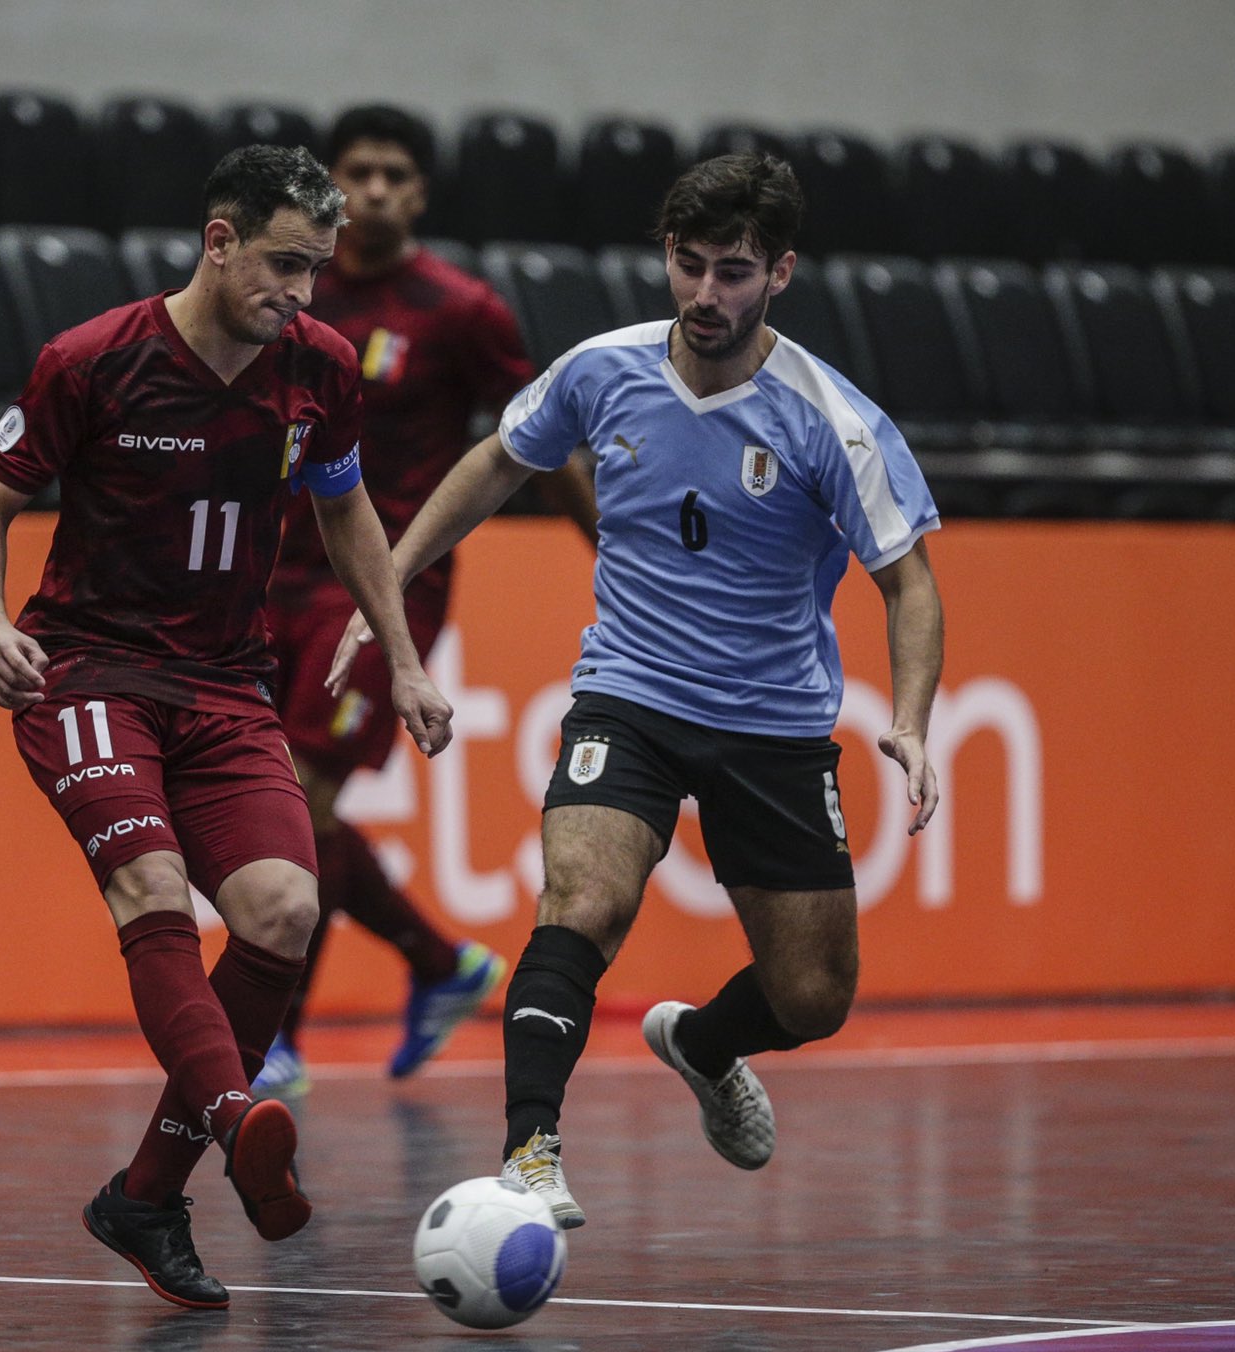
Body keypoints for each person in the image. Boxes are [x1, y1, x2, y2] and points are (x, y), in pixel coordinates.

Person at [329, 153, 945, 1229]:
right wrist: (390, 592)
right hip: (630, 695)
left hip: (772, 724)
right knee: (580, 901)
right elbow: (493, 462)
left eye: (735, 272)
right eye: (689, 265)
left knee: (811, 997)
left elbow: (908, 580)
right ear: (665, 256)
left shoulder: (829, 419)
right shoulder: (599, 370)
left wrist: (905, 720)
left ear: (781, 273)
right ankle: (528, 1154)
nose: (707, 295)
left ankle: (701, 1043)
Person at [0, 144, 454, 1309]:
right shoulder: (92, 360)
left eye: (319, 270)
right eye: (285, 263)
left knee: (284, 908)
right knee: (153, 890)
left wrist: (407, 657)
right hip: (87, 671)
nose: (303, 292)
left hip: (227, 681)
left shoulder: (320, 367)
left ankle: (143, 1193)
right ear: (217, 241)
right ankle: (236, 1120)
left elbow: (347, 511)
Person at [256, 104, 594, 1099]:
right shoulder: (290, 293)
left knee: (299, 797)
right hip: (268, 575)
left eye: (394, 173)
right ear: (328, 181)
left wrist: (614, 553)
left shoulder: (460, 309)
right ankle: (441, 961)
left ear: (419, 192)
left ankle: (278, 1036)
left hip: (382, 588)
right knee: (265, 803)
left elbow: (541, 437)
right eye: (355, 169)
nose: (373, 188)